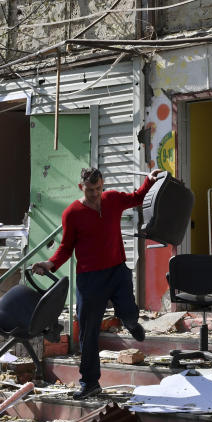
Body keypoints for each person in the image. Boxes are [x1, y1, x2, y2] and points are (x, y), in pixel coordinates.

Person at [33, 166, 162, 399]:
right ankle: (90, 383)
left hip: (117, 272)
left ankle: (131, 323)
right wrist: (49, 264)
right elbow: (66, 247)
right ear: (81, 187)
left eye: (98, 189)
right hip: (90, 279)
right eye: (90, 190)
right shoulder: (72, 213)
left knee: (129, 313)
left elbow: (136, 198)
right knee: (88, 332)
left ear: (103, 186)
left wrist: (149, 181)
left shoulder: (111, 199)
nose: (95, 194)